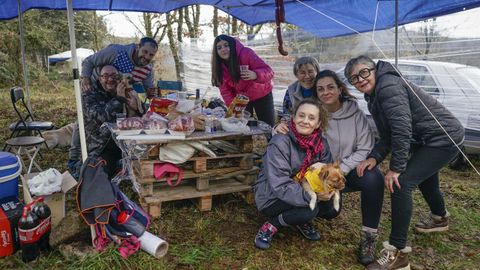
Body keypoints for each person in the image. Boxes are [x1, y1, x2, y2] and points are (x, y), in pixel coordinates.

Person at [344, 55, 465, 270]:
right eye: (354, 78)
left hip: (443, 137)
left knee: (401, 184)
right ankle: (440, 219)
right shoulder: (373, 96)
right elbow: (388, 135)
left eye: (364, 72)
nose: (361, 79)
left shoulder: (388, 85)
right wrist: (375, 156)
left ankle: (398, 255)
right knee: (427, 181)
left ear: (374, 69)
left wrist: (395, 168)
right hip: (425, 138)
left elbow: (401, 128)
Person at [274, 70, 385, 265]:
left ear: (340, 88)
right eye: (320, 89)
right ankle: (302, 215)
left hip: (346, 171)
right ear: (316, 93)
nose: (326, 92)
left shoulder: (355, 114)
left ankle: (369, 237)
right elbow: (296, 124)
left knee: (374, 178)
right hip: (317, 174)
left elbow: (366, 146)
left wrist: (341, 169)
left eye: (330, 87)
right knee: (331, 212)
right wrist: (277, 128)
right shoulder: (315, 115)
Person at [252, 98, 339, 250]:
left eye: (311, 118)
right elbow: (280, 185)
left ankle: (297, 218)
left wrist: (328, 190)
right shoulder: (280, 142)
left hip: (303, 188)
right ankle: (273, 224)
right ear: (294, 117)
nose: (305, 121)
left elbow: (328, 172)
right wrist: (314, 196)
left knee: (332, 207)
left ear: (318, 123)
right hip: (272, 195)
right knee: (309, 210)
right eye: (301, 115)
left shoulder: (321, 143)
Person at [68, 37, 158, 177]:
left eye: (151, 55)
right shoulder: (115, 52)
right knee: (83, 121)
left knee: (121, 115)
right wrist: (85, 79)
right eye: (145, 52)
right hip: (95, 86)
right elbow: (89, 61)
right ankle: (74, 159)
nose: (146, 57)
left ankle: (119, 152)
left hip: (117, 91)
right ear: (137, 46)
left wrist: (151, 92)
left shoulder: (147, 69)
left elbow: (149, 90)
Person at [82, 65, 144, 177]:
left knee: (145, 162)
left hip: (127, 143)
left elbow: (144, 116)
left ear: (119, 78)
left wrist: (137, 107)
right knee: (102, 174)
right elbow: (99, 117)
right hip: (103, 145)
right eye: (105, 76)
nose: (110, 79)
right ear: (99, 79)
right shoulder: (90, 94)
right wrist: (119, 99)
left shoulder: (125, 89)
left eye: (114, 76)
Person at [211, 34, 275, 127]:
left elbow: (269, 72)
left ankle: (271, 141)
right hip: (243, 99)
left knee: (267, 126)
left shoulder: (246, 53)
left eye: (226, 45)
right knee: (243, 126)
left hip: (262, 94)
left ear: (232, 46)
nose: (223, 49)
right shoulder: (219, 67)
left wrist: (255, 74)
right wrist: (233, 108)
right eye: (219, 47)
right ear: (216, 52)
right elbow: (226, 92)